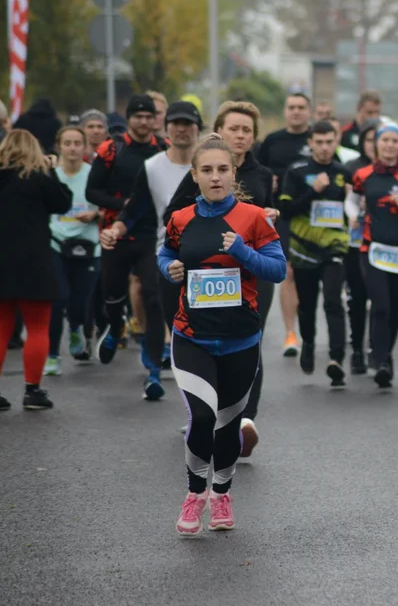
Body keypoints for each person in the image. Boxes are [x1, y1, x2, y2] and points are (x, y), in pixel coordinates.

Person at [161, 137, 286, 536]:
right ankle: (195, 493)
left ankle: (222, 493)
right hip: (192, 335)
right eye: (207, 170)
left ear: (234, 173)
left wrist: (243, 253)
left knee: (228, 426)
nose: (215, 177)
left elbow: (277, 269)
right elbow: (165, 254)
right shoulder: (180, 219)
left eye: (223, 169)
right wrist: (170, 269)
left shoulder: (253, 218)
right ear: (194, 175)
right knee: (201, 417)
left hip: (240, 340)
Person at [164, 103, 275, 457]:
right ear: (220, 132)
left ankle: (243, 419)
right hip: (200, 275)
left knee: (248, 337)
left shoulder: (262, 175)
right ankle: (203, 410)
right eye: (234, 129)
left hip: (250, 271)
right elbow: (173, 219)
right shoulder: (201, 168)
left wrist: (265, 220)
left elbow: (269, 232)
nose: (241, 135)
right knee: (199, 341)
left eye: (247, 130)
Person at [103, 101, 202, 382]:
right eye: (176, 124)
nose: (182, 130)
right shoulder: (152, 166)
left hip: (206, 257)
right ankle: (155, 371)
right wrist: (116, 229)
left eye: (188, 124)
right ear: (166, 127)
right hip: (167, 252)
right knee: (156, 303)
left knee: (198, 320)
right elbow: (135, 207)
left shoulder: (208, 165)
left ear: (198, 128)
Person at [86, 95, 169, 386]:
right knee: (112, 293)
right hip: (115, 234)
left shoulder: (164, 150)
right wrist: (123, 205)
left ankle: (153, 362)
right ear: (129, 118)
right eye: (138, 116)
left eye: (150, 116)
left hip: (152, 236)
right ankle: (115, 325)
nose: (145, 122)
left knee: (153, 297)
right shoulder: (111, 149)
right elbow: (91, 192)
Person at [0, 130, 73, 410]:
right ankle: (33, 390)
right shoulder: (40, 179)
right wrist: (51, 170)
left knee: (1, 329)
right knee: (38, 327)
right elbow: (63, 202)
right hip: (34, 264)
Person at [277, 121, 353, 384]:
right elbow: (286, 209)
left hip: (334, 246)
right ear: (310, 143)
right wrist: (313, 191)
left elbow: (352, 207)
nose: (324, 147)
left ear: (336, 141)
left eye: (329, 142)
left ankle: (336, 359)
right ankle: (308, 343)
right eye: (318, 142)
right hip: (304, 248)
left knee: (333, 300)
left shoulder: (344, 172)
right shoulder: (297, 171)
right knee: (307, 305)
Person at [349, 123, 398, 388]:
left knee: (394, 307)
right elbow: (352, 201)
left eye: (395, 141)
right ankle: (380, 360)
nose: (390, 145)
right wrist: (354, 216)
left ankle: (385, 355)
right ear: (377, 144)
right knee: (380, 306)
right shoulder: (363, 174)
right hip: (372, 248)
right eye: (385, 140)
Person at [257, 93, 313, 357]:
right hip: (282, 215)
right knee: (288, 271)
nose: (296, 112)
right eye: (291, 107)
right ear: (285, 111)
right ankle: (291, 333)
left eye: (301, 107)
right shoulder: (273, 140)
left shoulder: (315, 140)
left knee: (311, 276)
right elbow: (257, 171)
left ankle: (309, 329)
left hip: (314, 216)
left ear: (309, 111)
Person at [46, 126, 100, 374]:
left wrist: (96, 214)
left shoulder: (94, 174)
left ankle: (77, 327)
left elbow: (109, 207)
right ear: (59, 146)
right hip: (56, 244)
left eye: (77, 143)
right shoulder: (50, 175)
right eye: (67, 143)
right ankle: (53, 355)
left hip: (89, 247)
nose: (72, 148)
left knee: (79, 303)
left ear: (85, 147)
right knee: (57, 301)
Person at [342, 119, 379, 375]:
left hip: (385, 241)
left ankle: (378, 351)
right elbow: (348, 200)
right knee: (357, 297)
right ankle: (356, 349)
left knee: (381, 300)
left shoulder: (395, 169)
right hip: (356, 241)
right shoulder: (351, 168)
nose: (375, 144)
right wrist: (354, 212)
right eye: (369, 139)